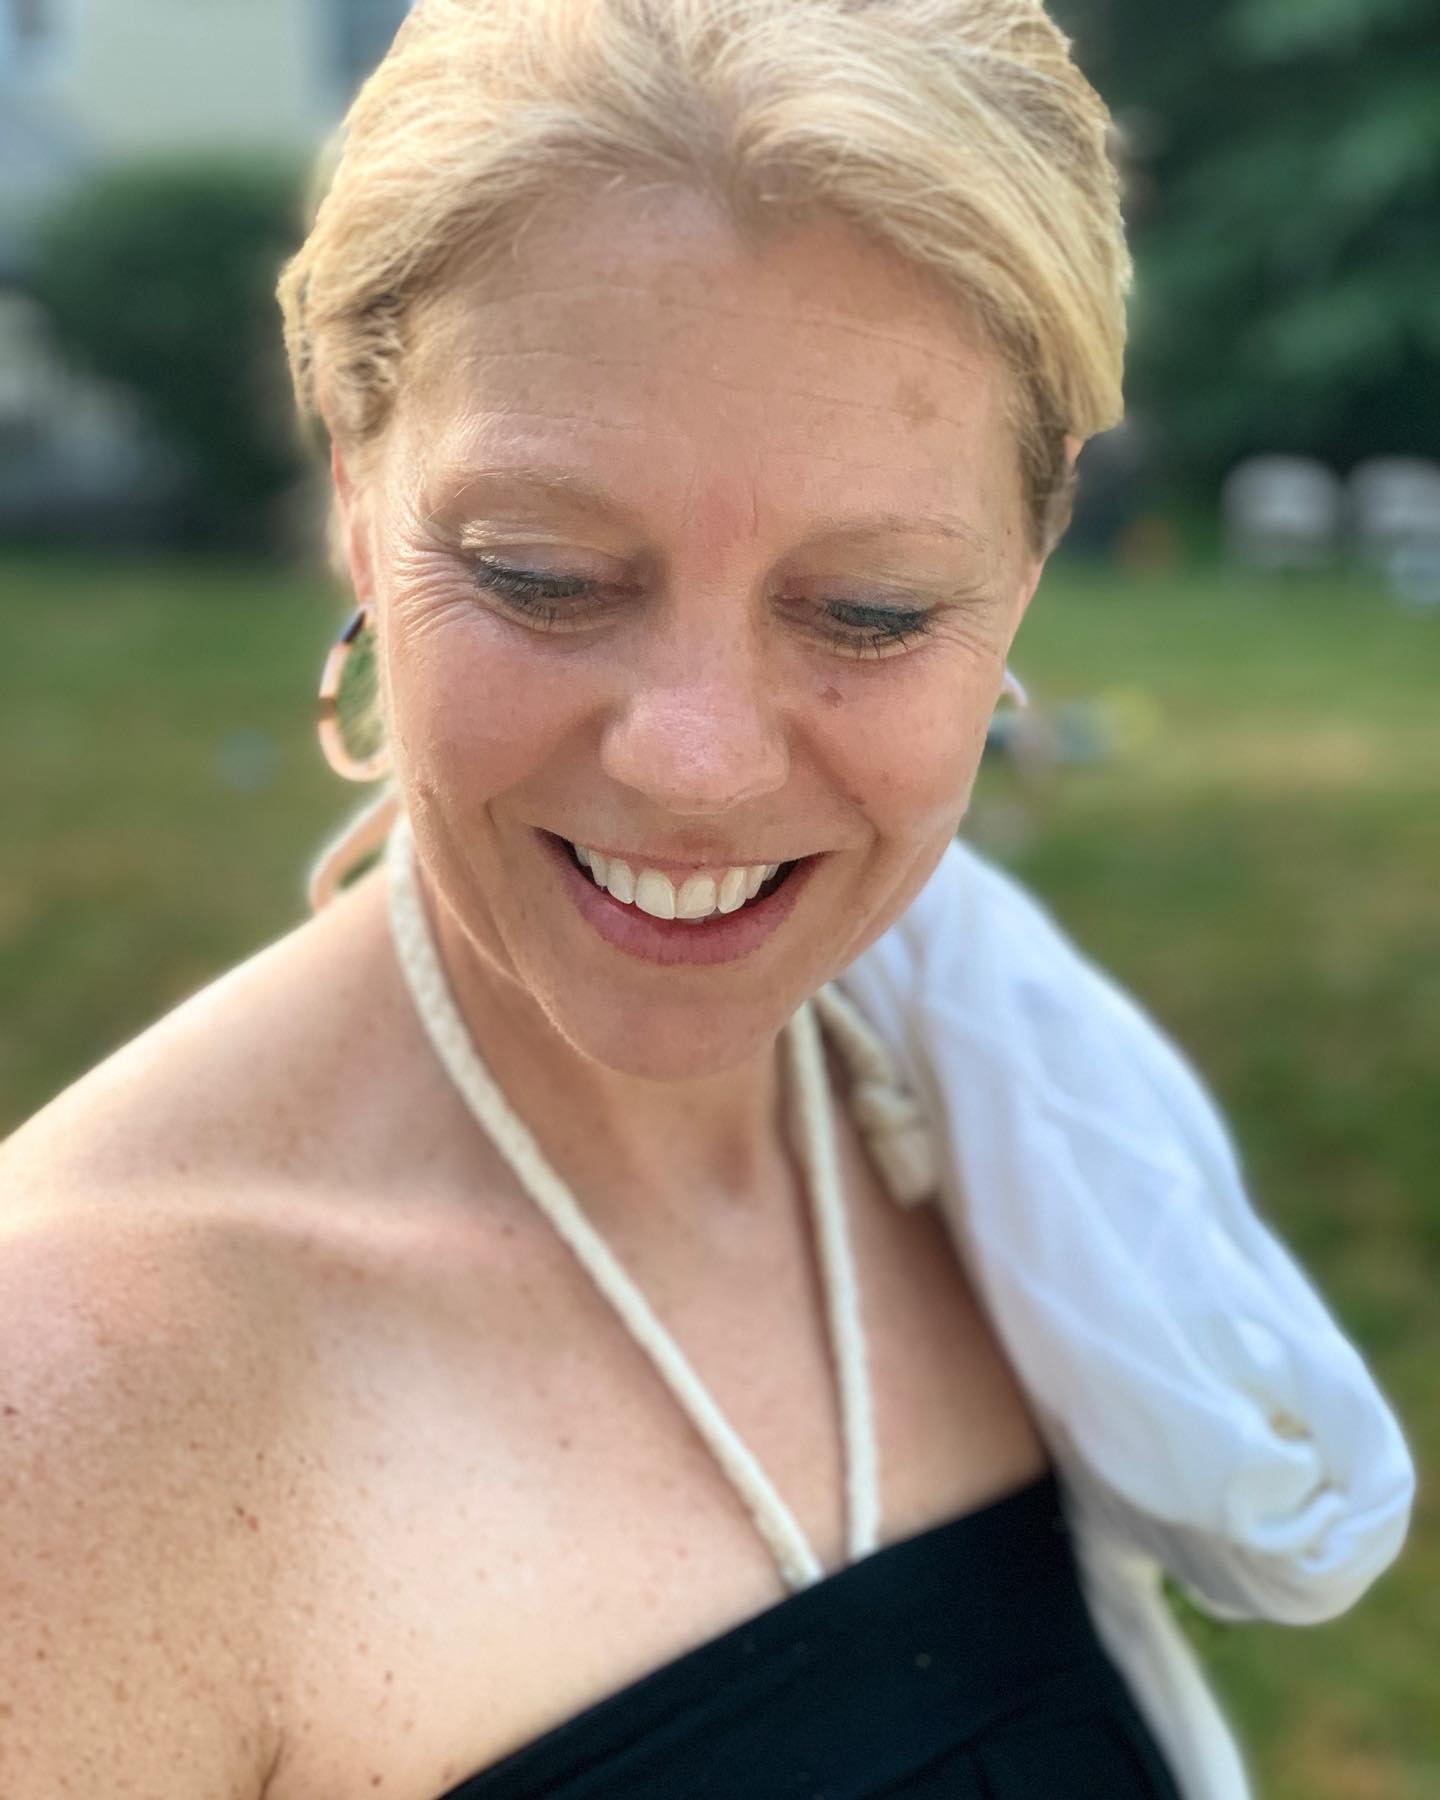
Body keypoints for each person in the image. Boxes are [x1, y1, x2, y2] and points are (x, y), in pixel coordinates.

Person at [0, 2, 1414, 1797]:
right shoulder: (77, 1421)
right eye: (544, 576)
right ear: (359, 497)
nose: (695, 762)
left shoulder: (970, 1133)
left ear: (1033, 553)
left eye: (871, 611)